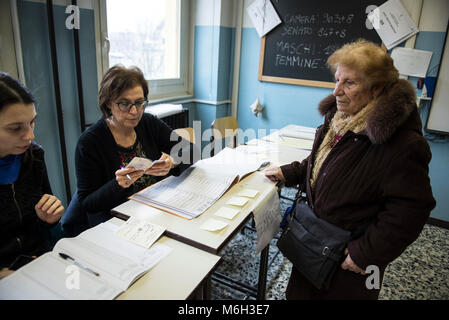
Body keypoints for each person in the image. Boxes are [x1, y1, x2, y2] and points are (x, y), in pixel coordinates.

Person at [265, 40, 436, 299]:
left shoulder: (403, 143)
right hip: (315, 244)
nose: (336, 92)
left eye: (349, 83)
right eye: (337, 80)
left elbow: (411, 210)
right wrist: (289, 172)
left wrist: (365, 253)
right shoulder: (340, 120)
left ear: (377, 89)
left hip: (349, 264)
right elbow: (322, 164)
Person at [61, 65, 194, 236]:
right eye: (124, 104)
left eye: (139, 103)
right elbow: (88, 203)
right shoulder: (90, 142)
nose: (134, 111)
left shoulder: (148, 123)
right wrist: (117, 184)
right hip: (116, 219)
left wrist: (172, 162)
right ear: (108, 103)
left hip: (153, 207)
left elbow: (191, 151)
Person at [0, 73, 64, 279]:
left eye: (32, 122)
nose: (30, 136)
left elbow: (46, 227)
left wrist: (50, 220)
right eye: (15, 128)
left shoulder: (33, 156)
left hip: (37, 263)